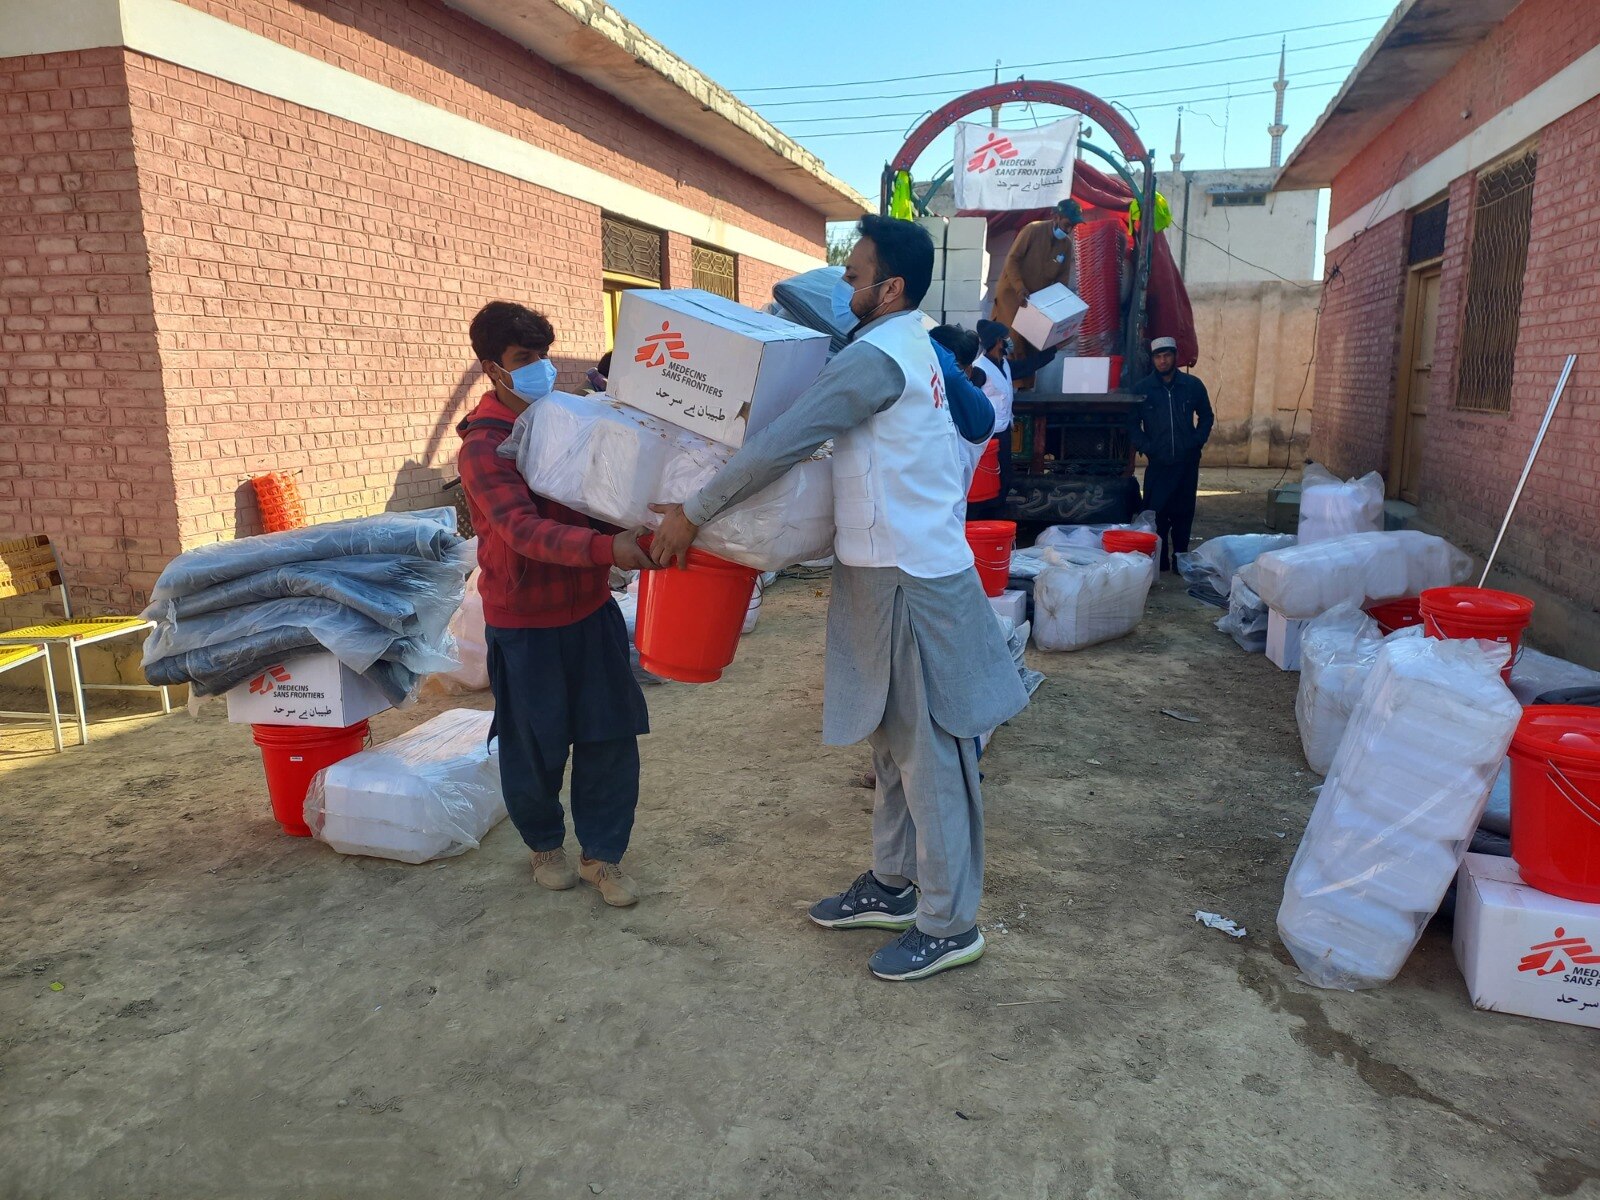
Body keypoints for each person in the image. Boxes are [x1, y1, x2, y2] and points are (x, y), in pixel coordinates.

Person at [649, 217, 1028, 982]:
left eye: (854, 275)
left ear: (889, 287)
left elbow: (784, 439)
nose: (844, 287)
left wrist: (695, 510)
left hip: (916, 581)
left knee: (931, 758)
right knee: (889, 745)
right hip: (878, 572)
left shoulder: (879, 358)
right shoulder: (901, 344)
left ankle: (951, 924)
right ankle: (893, 883)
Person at [458, 301, 656, 906]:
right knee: (533, 744)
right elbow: (522, 531)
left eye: (544, 355)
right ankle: (546, 845)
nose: (540, 368)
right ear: (493, 369)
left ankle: (603, 856)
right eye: (525, 359)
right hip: (526, 621)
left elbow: (603, 493)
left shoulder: (564, 422)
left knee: (609, 736)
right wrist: (609, 549)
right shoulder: (484, 447)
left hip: (589, 608)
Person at [1131, 335, 1214, 571]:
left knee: (1183, 512)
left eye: (1167, 355)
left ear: (1175, 357)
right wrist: (1148, 447)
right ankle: (1161, 561)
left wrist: (1196, 441)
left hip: (1187, 462)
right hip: (1159, 462)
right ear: (1153, 360)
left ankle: (1180, 559)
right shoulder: (1143, 389)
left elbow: (1206, 416)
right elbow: (1131, 424)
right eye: (1158, 356)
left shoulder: (1192, 386)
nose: (1163, 361)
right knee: (1157, 512)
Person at [969, 319, 1058, 520]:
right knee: (987, 479)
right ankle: (982, 519)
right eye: (1006, 338)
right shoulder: (979, 370)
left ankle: (995, 516)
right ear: (999, 341)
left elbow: (1028, 366)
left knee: (1004, 477)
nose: (1010, 341)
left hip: (1003, 432)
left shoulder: (1005, 365)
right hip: (987, 436)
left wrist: (1055, 348)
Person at [989, 198, 1085, 350]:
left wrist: (1060, 307)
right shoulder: (1032, 230)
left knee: (1033, 345)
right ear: (1056, 217)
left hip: (1036, 302)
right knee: (1012, 342)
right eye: (1067, 224)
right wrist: (1020, 288)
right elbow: (1012, 260)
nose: (1069, 230)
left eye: (1073, 226)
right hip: (1013, 295)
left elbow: (1062, 282)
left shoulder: (1066, 245)